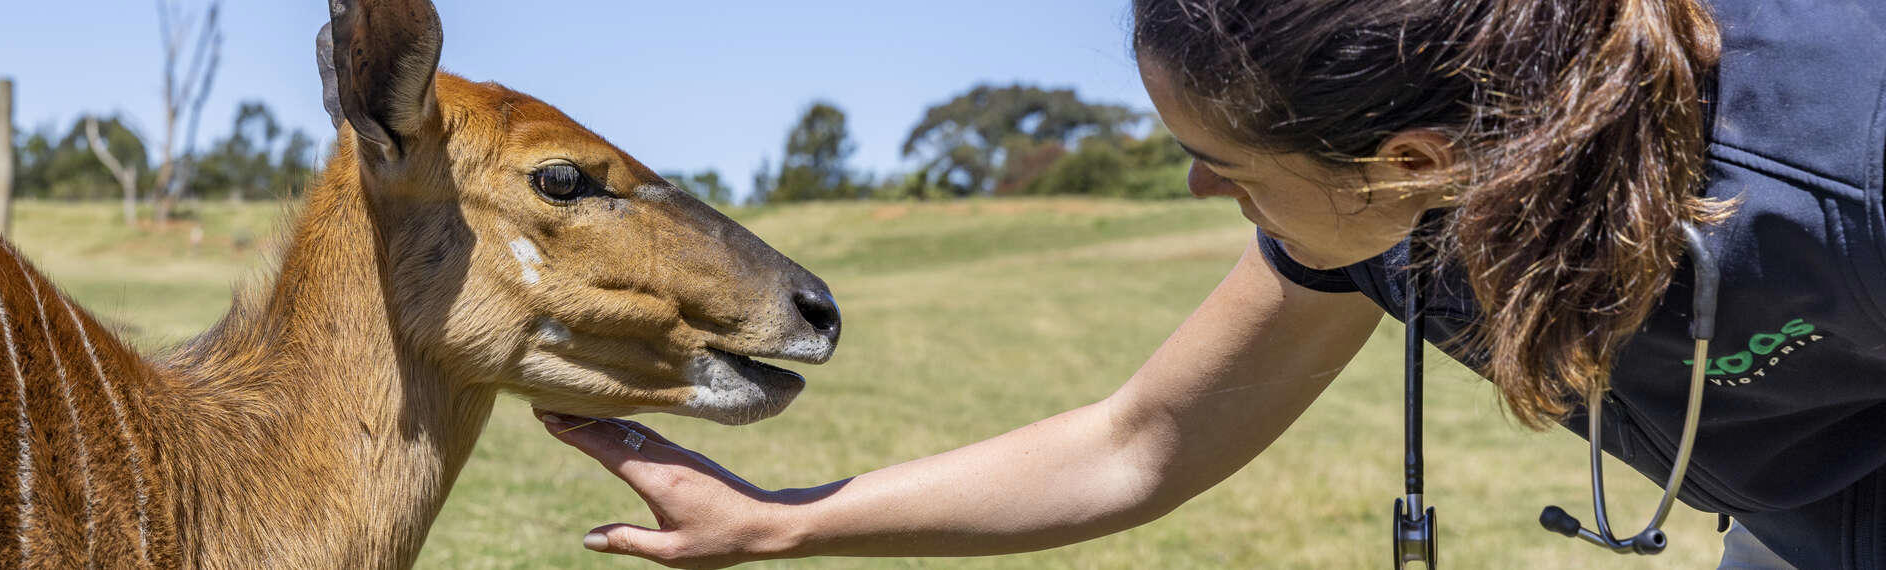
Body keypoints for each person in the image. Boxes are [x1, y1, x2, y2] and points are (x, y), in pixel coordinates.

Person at [539, 0, 1886, 567]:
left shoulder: (1847, 152)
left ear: (1404, 157)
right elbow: (1144, 441)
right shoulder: (1405, 210)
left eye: (1223, 164)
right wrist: (777, 522)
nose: (1200, 194)